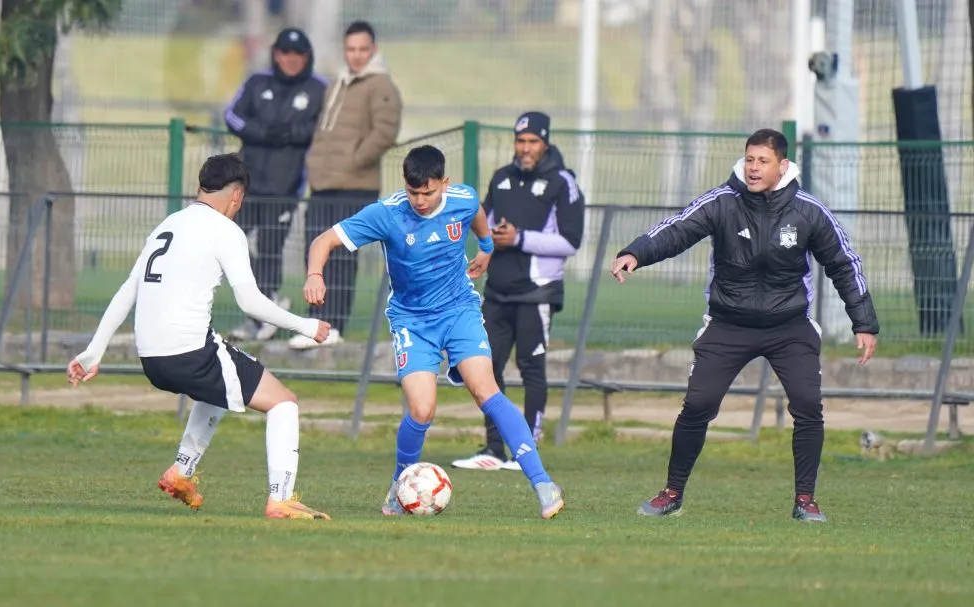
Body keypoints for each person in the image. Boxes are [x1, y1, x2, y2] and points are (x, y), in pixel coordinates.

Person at [611, 129, 879, 523]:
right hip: (728, 324)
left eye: (763, 161)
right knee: (698, 405)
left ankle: (805, 500)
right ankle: (672, 493)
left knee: (807, 405)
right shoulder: (722, 201)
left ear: (782, 166)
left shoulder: (808, 211)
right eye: (749, 159)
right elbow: (678, 228)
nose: (753, 168)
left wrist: (864, 322)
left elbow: (843, 262)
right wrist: (636, 252)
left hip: (790, 325)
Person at [303, 145, 565, 520]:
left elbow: (476, 214)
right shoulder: (387, 214)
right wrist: (315, 274)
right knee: (422, 409)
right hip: (411, 320)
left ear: (445, 183)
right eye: (414, 193)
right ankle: (399, 488)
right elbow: (322, 241)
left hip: (459, 310)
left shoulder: (462, 198)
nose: (421, 201)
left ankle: (543, 483)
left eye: (429, 192)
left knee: (485, 390)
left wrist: (487, 246)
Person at [65, 154, 332, 521]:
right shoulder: (225, 230)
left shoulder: (168, 225)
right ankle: (280, 500)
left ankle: (181, 472)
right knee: (283, 403)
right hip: (188, 352)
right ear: (237, 196)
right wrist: (307, 326)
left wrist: (94, 352)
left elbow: (129, 290)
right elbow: (250, 301)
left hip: (152, 360)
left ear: (199, 187)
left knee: (221, 385)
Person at [451, 111, 585, 472]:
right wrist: (491, 239)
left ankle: (528, 450)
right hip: (497, 290)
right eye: (520, 141)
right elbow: (485, 222)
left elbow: (571, 241)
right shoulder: (502, 178)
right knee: (486, 366)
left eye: (532, 142)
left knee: (532, 369)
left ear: (545, 143)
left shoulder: (562, 183)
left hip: (537, 292)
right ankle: (494, 449)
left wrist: (520, 238)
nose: (525, 149)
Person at [293, 20, 403, 349]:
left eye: (362, 49)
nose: (356, 55)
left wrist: (353, 160)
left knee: (340, 258)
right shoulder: (338, 82)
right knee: (314, 254)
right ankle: (315, 324)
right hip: (324, 184)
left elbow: (385, 132)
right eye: (351, 49)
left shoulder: (380, 85)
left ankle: (334, 326)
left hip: (353, 186)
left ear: (374, 50)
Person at [224, 27, 327, 342]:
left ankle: (260, 319)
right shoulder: (257, 83)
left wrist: (290, 135)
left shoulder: (318, 89)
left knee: (270, 249)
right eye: (285, 53)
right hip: (247, 183)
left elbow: (319, 128)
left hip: (285, 187)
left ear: (306, 56)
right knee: (230, 241)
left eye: (298, 54)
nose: (291, 59)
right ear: (276, 54)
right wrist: (263, 131)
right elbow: (233, 117)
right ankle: (267, 303)